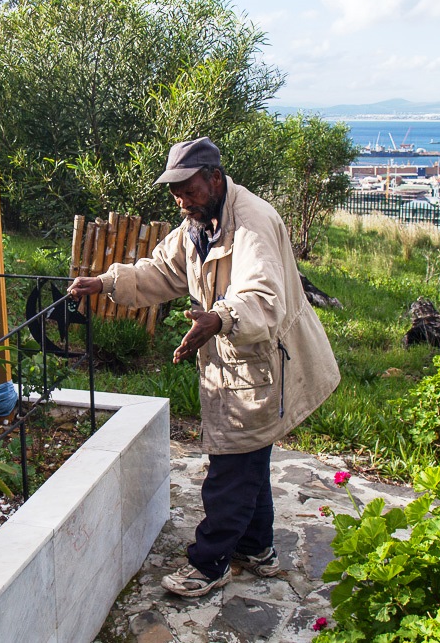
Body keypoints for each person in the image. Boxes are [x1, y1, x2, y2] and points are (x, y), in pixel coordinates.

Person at [67, 137, 340, 598]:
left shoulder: (251, 223)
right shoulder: (198, 222)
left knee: (231, 469)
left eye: (188, 189)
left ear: (215, 178)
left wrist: (219, 318)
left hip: (262, 364)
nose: (181, 200)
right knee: (247, 460)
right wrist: (107, 281)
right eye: (174, 192)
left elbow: (263, 298)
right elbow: (161, 271)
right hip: (234, 361)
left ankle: (209, 563)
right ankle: (256, 550)